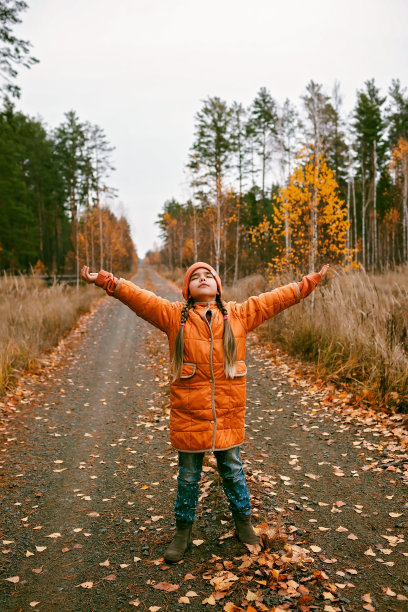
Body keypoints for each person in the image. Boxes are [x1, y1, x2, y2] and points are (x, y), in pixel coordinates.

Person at [81, 261, 329, 562]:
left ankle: (243, 524)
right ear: (187, 289)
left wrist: (308, 283)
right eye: (195, 277)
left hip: (227, 415)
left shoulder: (238, 314)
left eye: (207, 275)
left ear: (218, 286)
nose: (202, 279)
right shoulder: (174, 316)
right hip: (188, 416)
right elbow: (140, 298)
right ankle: (183, 532)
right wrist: (107, 281)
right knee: (188, 477)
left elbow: (275, 298)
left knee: (233, 471)